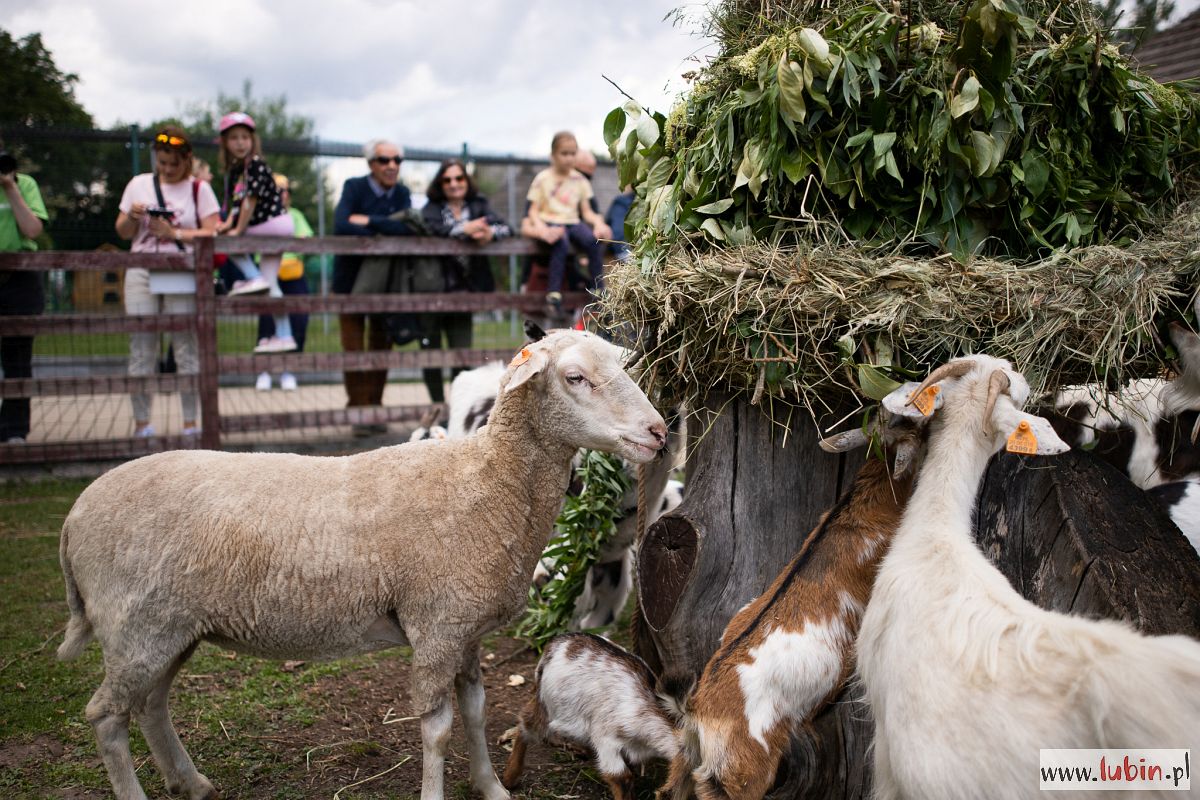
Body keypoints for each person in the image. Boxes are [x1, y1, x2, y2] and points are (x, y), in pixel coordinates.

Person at [115, 125, 220, 438]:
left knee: (186, 348)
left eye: (174, 163)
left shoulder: (199, 189)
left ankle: (191, 424)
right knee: (141, 349)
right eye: (162, 163)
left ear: (187, 159)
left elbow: (212, 231)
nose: (168, 169)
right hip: (141, 270)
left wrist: (174, 233)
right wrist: (133, 217)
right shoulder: (138, 184)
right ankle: (142, 424)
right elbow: (121, 232)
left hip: (180, 271)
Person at [333, 139, 413, 423]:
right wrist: (386, 224)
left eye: (397, 160)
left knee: (381, 346)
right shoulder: (354, 187)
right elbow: (341, 224)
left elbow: (406, 229)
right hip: (349, 282)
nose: (391, 166)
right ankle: (358, 412)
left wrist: (366, 220)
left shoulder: (402, 192)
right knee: (353, 349)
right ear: (371, 164)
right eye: (384, 160)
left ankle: (375, 409)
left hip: (387, 283)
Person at [420, 159, 511, 402]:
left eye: (459, 178)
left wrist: (489, 233)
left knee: (462, 353)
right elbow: (435, 230)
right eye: (447, 179)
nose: (454, 184)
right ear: (440, 183)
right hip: (434, 290)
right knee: (431, 353)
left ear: (466, 180)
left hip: (464, 292)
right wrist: (466, 229)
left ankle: (457, 408)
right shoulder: (431, 208)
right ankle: (437, 407)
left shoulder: (479, 204)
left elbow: (506, 228)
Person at [215, 111, 297, 354]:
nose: (240, 143)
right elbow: (236, 205)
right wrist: (228, 223)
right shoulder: (237, 171)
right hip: (275, 226)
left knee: (225, 242)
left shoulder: (254, 165)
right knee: (271, 285)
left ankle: (252, 276)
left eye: (244, 137)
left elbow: (250, 201)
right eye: (234, 138)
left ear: (253, 140)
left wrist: (237, 230)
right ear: (225, 143)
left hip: (270, 223)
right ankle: (285, 335)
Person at [522, 131, 611, 317]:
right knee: (560, 243)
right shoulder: (542, 179)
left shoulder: (579, 180)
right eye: (564, 153)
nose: (569, 158)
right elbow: (533, 211)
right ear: (553, 155)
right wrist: (542, 229)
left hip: (572, 221)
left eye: (572, 153)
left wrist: (598, 224)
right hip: (551, 221)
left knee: (592, 241)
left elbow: (587, 211)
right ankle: (553, 294)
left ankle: (599, 290)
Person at [0, 139, 48, 444]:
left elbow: (32, 230)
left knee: (18, 358)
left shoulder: (24, 184)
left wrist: (10, 187)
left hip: (18, 277)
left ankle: (14, 429)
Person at [255, 173, 311, 392]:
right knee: (268, 323)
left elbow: (304, 240)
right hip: (270, 274)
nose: (283, 194)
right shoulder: (260, 215)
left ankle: (289, 370)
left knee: (298, 321)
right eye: (278, 190)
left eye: (286, 190)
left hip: (293, 274)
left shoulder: (295, 215)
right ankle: (265, 371)